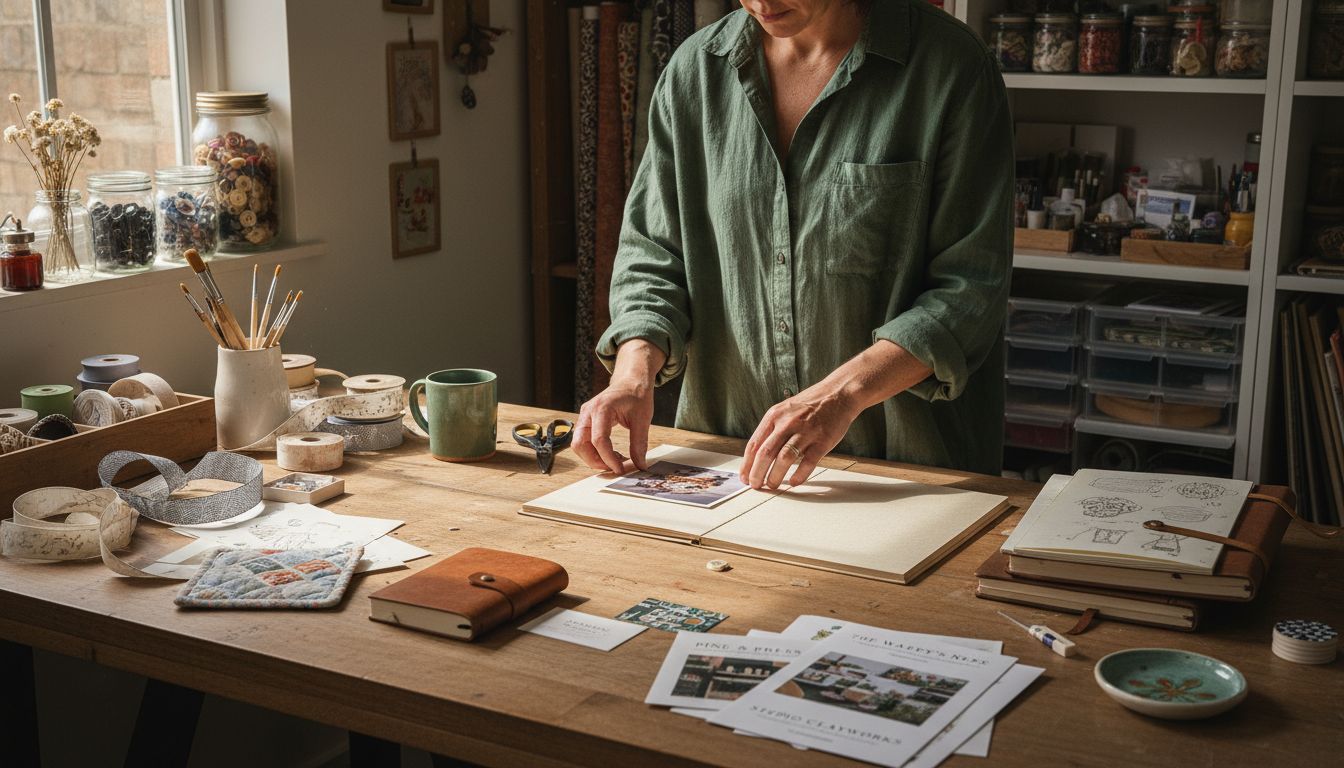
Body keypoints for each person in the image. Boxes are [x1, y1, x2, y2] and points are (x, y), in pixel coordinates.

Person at [572, 0, 1014, 490]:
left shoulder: (951, 68)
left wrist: (840, 396)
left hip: (907, 469)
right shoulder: (695, 70)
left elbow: (970, 289)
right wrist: (632, 373)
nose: (760, 1)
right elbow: (653, 255)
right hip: (729, 462)